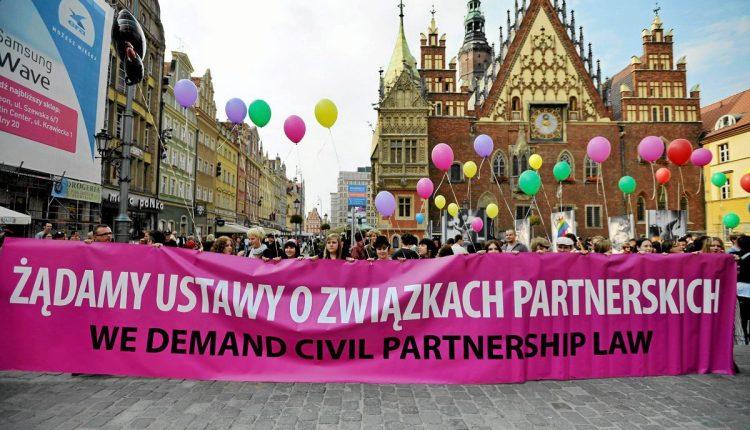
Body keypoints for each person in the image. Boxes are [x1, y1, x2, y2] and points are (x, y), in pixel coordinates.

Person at [733, 235, 750, 344]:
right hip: (744, 289)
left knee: (742, 315)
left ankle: (743, 336)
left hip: (740, 289)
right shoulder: (736, 256)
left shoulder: (735, 256)